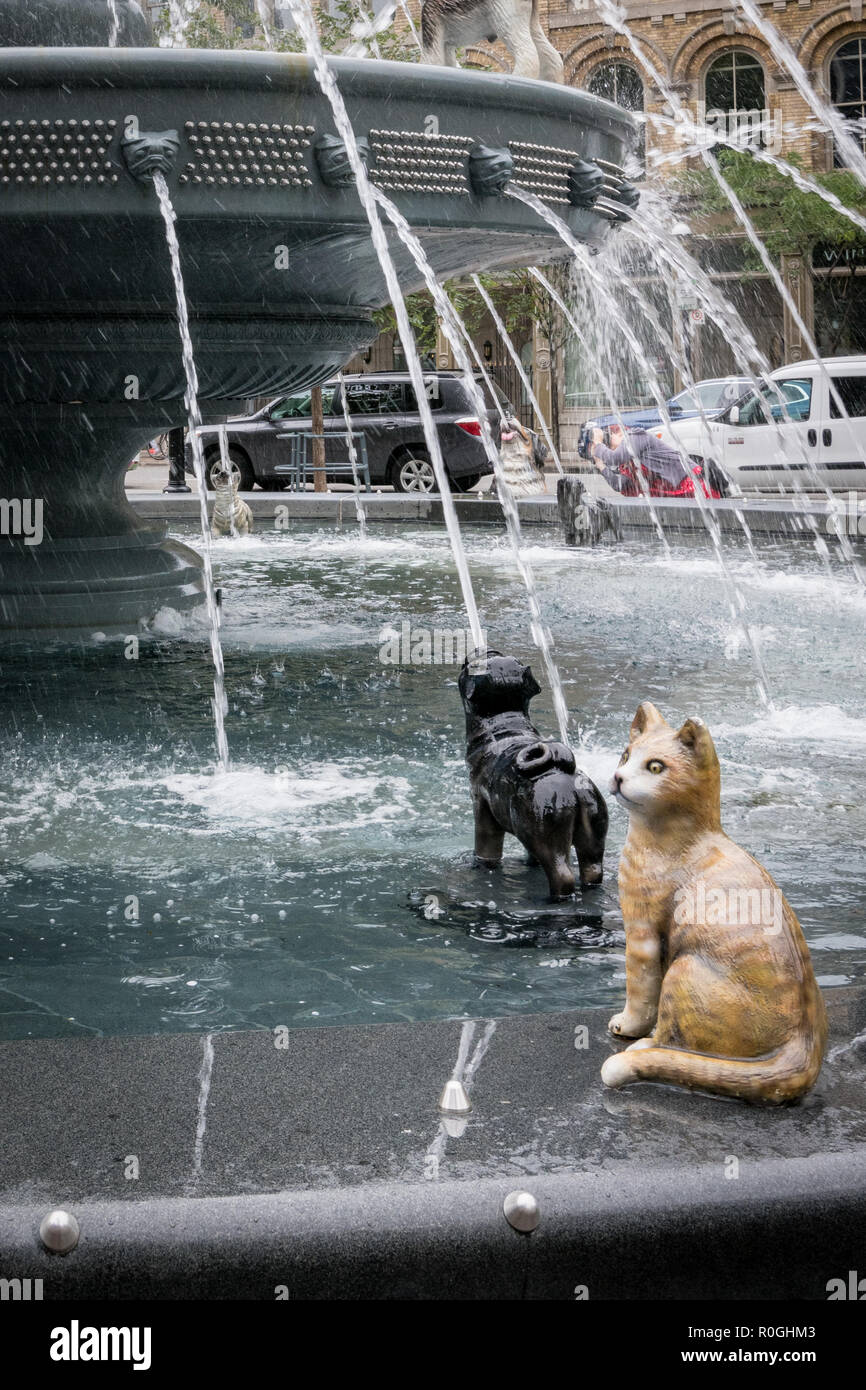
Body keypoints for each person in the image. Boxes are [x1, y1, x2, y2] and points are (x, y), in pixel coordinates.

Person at [590, 422, 721, 498]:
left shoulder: (635, 436)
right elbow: (620, 484)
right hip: (679, 496)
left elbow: (615, 458)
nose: (611, 450)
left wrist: (597, 443)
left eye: (610, 445)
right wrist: (600, 464)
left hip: (695, 486)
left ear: (618, 433)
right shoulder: (628, 464)